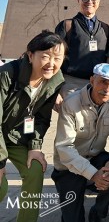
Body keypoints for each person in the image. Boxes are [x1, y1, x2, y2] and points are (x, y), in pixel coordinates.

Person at [0, 31, 66, 222]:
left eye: (57, 58)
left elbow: (42, 118)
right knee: (1, 188)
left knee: (35, 169)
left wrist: (35, 147)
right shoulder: (7, 75)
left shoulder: (55, 79)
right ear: (30, 55)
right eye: (45, 56)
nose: (51, 63)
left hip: (15, 137)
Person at [52, 63, 109, 222]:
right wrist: (94, 175)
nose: (107, 89)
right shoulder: (71, 103)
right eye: (103, 82)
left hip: (95, 157)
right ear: (92, 80)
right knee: (72, 218)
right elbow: (64, 148)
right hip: (69, 166)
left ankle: (98, 211)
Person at [55, 0, 109, 101]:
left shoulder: (105, 28)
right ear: (78, 0)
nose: (89, 2)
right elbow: (55, 56)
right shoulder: (67, 26)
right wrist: (55, 90)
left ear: (99, 1)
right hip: (72, 83)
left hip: (98, 84)